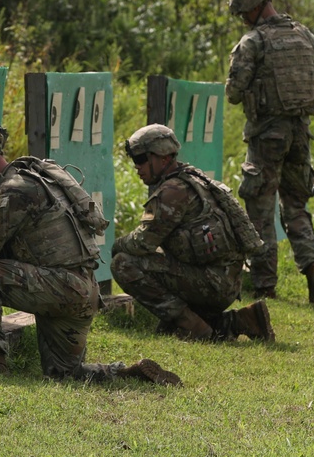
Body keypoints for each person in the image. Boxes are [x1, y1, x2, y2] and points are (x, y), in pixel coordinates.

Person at [0, 121, 180, 386]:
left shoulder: (10, 192)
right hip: (82, 289)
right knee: (64, 374)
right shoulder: (37, 176)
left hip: (61, 288)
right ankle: (126, 373)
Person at [111, 124, 275, 342]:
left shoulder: (172, 192)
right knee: (167, 329)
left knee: (123, 263)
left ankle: (192, 326)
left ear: (161, 157)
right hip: (223, 280)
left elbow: (143, 243)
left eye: (141, 159)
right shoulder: (192, 178)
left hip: (212, 283)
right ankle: (242, 320)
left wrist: (116, 245)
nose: (137, 167)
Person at [224, 0, 314, 304]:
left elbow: (233, 93)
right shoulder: (305, 35)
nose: (243, 20)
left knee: (260, 209)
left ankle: (266, 285)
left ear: (256, 8)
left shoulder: (253, 42)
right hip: (301, 133)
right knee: (296, 206)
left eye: (243, 14)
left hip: (267, 136)